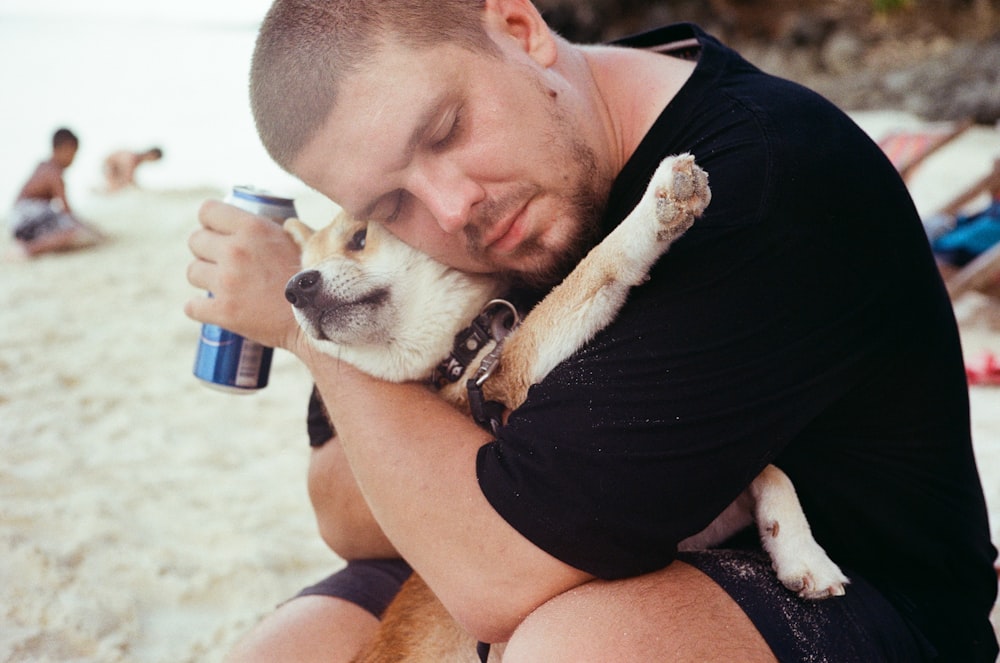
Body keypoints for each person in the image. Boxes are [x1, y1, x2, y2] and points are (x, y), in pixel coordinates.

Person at [185, 1, 999, 661]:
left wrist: (309, 344)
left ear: (518, 26)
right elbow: (346, 518)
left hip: (861, 595)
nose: (450, 206)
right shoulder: (462, 230)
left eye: (445, 130)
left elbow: (494, 576)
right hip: (560, 545)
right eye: (385, 205)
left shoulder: (761, 176)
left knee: (575, 649)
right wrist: (315, 333)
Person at [7, 127, 104, 258]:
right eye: (73, 154)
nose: (73, 160)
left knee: (67, 226)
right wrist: (92, 230)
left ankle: (25, 245)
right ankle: (28, 250)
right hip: (28, 216)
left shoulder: (43, 166)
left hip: (18, 219)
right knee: (73, 232)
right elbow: (67, 211)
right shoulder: (54, 173)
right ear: (64, 148)